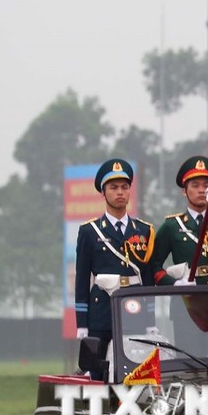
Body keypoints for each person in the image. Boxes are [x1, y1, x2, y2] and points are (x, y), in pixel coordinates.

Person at [74, 159, 156, 378]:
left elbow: (148, 281)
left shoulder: (144, 230)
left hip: (134, 310)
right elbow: (82, 280)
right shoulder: (90, 231)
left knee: (137, 371)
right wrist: (82, 324)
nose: (120, 192)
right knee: (98, 372)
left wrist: (151, 320)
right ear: (103, 192)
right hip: (101, 311)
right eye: (113, 187)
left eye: (124, 187)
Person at [151, 156, 208, 287]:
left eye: (206, 185)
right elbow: (154, 266)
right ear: (184, 191)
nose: (201, 190)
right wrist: (175, 284)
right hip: (186, 299)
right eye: (195, 185)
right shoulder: (172, 225)